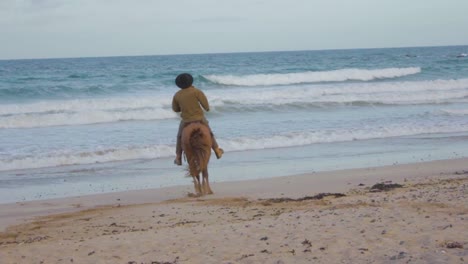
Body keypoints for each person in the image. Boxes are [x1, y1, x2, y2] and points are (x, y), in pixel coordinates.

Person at [172, 73, 224, 165]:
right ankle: (217, 150)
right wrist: (206, 108)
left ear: (178, 84)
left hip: (186, 121)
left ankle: (178, 157)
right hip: (199, 119)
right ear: (191, 81)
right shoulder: (197, 91)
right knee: (209, 132)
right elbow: (206, 107)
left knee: (179, 136)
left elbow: (175, 109)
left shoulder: (177, 95)